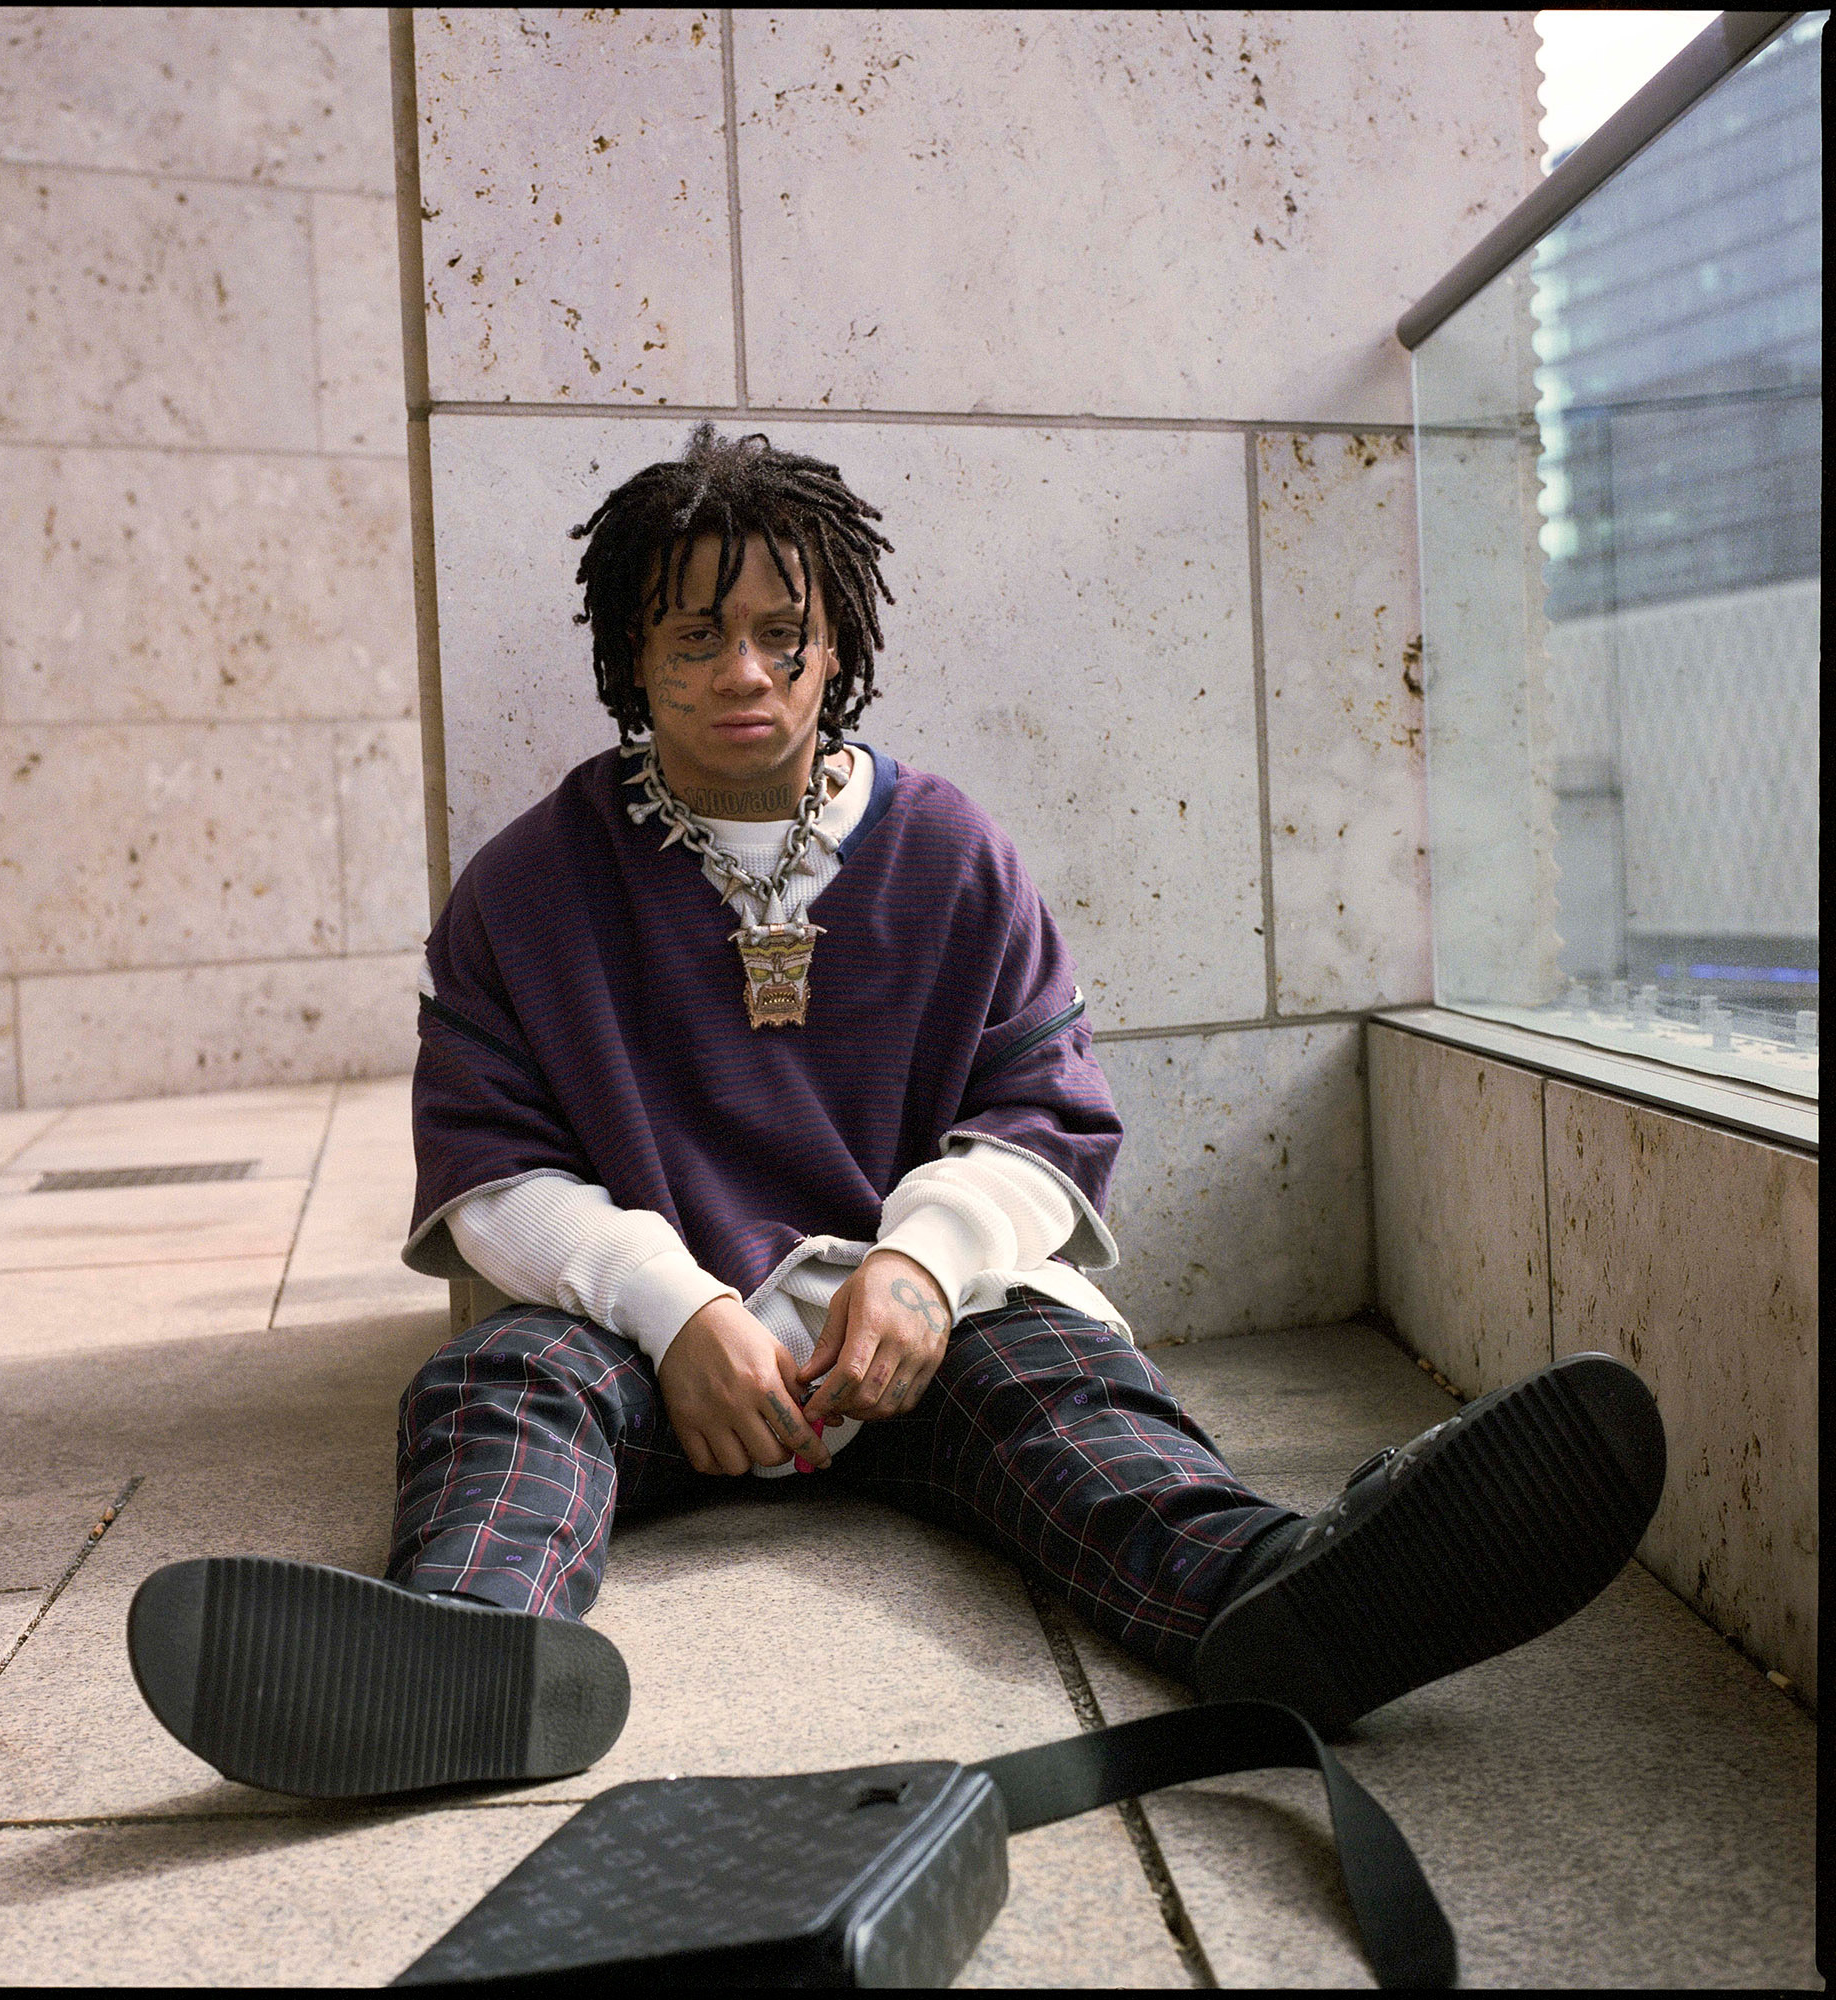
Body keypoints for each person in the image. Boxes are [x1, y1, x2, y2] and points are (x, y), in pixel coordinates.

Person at [126, 425, 1665, 1799]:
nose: (745, 673)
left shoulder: (948, 851)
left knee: (1069, 1397)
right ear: (629, 655)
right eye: (696, 637)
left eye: (782, 635)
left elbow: (1044, 1118)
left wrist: (923, 1269)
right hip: (661, 1351)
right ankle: (465, 1649)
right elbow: (492, 1177)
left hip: (919, 1345)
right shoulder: (529, 887)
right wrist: (673, 1310)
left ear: (839, 642)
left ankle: (1276, 1594)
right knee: (499, 1385)